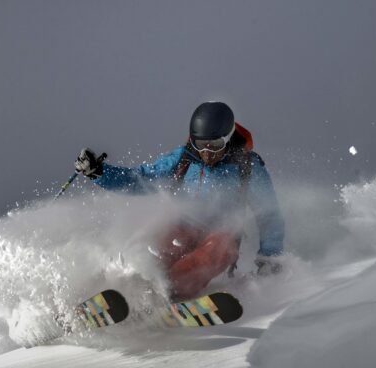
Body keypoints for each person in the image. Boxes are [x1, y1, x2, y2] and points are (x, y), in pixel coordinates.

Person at [74, 101, 284, 300]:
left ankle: (165, 294)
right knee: (162, 248)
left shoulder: (248, 167)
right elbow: (142, 178)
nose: (206, 153)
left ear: (228, 138)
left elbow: (268, 214)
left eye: (215, 145)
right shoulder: (184, 157)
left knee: (213, 254)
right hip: (184, 225)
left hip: (222, 235)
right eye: (200, 144)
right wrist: (99, 172)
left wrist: (269, 258)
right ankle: (130, 289)